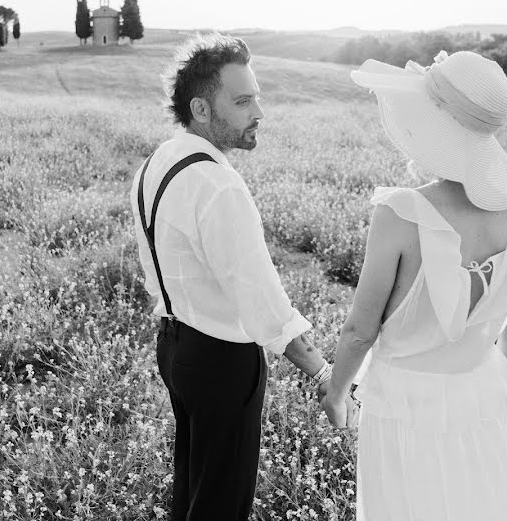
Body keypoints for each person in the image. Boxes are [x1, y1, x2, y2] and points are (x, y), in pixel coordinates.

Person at [321, 50, 507, 521]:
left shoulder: (401, 212)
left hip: (401, 403)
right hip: (477, 400)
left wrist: (337, 391)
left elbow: (360, 331)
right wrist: (488, 394)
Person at [130, 33, 355, 521]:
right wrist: (323, 372)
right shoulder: (218, 184)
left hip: (174, 348)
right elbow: (264, 305)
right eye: (242, 100)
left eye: (257, 96)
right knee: (221, 505)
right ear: (202, 109)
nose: (259, 111)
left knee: (193, 490)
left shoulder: (154, 164)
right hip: (221, 362)